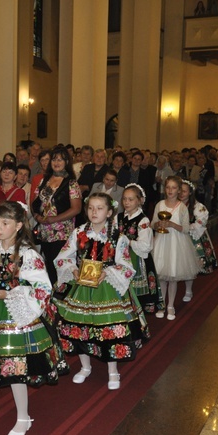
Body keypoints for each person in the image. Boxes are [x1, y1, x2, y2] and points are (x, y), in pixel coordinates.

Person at [0, 201, 66, 435]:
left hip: (14, 311)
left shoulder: (28, 254)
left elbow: (42, 288)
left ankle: (23, 416)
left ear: (19, 225)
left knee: (14, 364)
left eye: (5, 223)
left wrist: (9, 294)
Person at [50, 192, 148, 390]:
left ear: (110, 212)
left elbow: (126, 264)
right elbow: (63, 257)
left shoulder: (118, 237)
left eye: (100, 208)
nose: (94, 212)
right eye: (91, 208)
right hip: (82, 287)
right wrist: (73, 269)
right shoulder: (78, 232)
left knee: (109, 329)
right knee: (79, 328)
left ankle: (113, 370)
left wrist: (108, 272)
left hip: (106, 288)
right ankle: (85, 367)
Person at [151, 176, 200, 320]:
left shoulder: (182, 207)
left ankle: (170, 305)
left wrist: (172, 224)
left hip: (176, 243)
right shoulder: (159, 204)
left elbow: (185, 229)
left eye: (173, 188)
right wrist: (158, 225)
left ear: (179, 190)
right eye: (167, 187)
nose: (170, 190)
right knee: (161, 276)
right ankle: (162, 304)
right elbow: (153, 222)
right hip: (161, 242)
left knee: (172, 275)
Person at [31, 147, 82, 284]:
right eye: (54, 159)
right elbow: (35, 203)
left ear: (66, 162)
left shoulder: (71, 183)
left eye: (60, 159)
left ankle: (62, 299)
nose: (57, 162)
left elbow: (76, 209)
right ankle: (52, 299)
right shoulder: (45, 181)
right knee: (49, 268)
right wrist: (37, 217)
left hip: (62, 234)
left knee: (62, 268)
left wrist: (54, 219)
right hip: (45, 233)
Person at [118, 184, 163, 314]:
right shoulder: (119, 217)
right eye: (124, 199)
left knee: (137, 293)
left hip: (137, 258)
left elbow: (146, 246)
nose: (126, 202)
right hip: (121, 257)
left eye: (131, 199)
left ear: (139, 200)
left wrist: (129, 241)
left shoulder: (143, 220)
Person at [180, 180, 218, 302]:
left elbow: (201, 221)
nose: (181, 193)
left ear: (190, 192)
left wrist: (187, 228)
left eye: (184, 191)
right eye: (179, 190)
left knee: (190, 265)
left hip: (192, 237)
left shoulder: (198, 206)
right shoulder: (175, 205)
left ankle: (188, 290)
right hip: (177, 236)